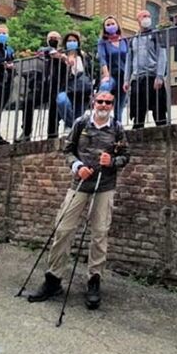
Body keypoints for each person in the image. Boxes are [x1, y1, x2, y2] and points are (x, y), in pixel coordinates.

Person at [27, 91, 130, 310]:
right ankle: (53, 279)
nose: (103, 105)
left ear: (112, 105)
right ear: (94, 102)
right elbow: (68, 149)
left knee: (99, 233)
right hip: (80, 184)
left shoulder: (118, 128)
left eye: (108, 102)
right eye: (100, 101)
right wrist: (77, 166)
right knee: (63, 229)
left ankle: (94, 280)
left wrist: (112, 161)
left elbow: (126, 156)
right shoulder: (81, 122)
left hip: (104, 186)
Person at [123, 9, 169, 128]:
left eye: (148, 16)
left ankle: (165, 138)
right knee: (138, 113)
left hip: (153, 78)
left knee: (159, 113)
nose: (147, 18)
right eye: (144, 16)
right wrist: (126, 80)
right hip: (138, 80)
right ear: (138, 20)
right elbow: (129, 60)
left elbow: (162, 56)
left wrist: (160, 76)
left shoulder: (157, 34)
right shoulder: (133, 39)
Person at [56, 31, 93, 129]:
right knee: (61, 100)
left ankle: (72, 131)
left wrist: (92, 90)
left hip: (82, 91)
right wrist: (63, 57)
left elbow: (90, 73)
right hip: (66, 89)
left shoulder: (84, 56)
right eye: (69, 41)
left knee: (78, 118)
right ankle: (70, 126)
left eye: (74, 40)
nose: (71, 42)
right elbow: (45, 51)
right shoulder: (60, 55)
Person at [97, 16, 128, 123]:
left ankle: (117, 129)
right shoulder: (103, 42)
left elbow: (129, 57)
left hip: (124, 76)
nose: (111, 26)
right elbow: (102, 58)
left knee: (119, 107)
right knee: (105, 88)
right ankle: (99, 117)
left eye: (112, 24)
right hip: (111, 75)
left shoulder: (124, 40)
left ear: (117, 25)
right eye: (108, 25)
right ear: (104, 28)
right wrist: (106, 75)